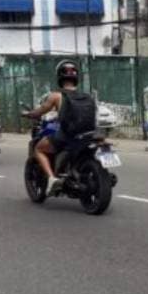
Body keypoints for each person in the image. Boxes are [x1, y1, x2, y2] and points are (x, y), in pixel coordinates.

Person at [22, 60, 97, 196]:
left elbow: (40, 112)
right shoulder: (87, 96)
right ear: (76, 78)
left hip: (69, 136)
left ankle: (52, 179)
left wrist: (28, 114)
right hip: (89, 135)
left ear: (59, 77)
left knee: (38, 148)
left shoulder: (56, 96)